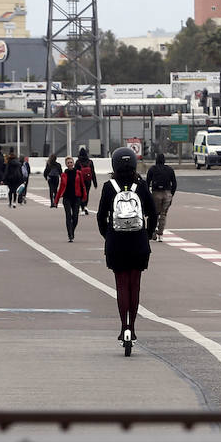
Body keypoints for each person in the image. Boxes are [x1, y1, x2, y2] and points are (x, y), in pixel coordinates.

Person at [97, 147, 158, 347]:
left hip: (116, 243)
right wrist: (147, 235)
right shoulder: (140, 186)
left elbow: (100, 216)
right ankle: (134, 326)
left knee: (121, 286)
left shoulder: (108, 187)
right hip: (138, 242)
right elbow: (153, 213)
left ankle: (124, 327)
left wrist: (108, 235)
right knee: (135, 285)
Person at [51, 156, 89, 242]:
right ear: (66, 164)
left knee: (75, 217)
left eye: (71, 162)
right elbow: (61, 188)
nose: (70, 164)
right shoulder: (64, 175)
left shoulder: (79, 173)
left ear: (73, 163)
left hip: (76, 198)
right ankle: (70, 235)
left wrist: (84, 196)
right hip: (67, 198)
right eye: (68, 163)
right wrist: (56, 201)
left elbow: (83, 186)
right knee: (68, 216)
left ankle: (72, 230)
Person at [144, 152, 178, 241]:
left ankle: (153, 232)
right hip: (167, 193)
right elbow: (174, 183)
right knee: (163, 214)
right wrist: (171, 194)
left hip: (156, 193)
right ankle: (160, 234)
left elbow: (147, 183)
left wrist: (148, 194)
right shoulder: (169, 169)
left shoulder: (152, 169)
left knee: (154, 214)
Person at [75, 147, 97, 215]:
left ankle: (82, 208)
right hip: (88, 180)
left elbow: (75, 172)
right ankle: (85, 206)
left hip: (80, 181)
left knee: (81, 194)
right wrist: (95, 183)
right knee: (86, 193)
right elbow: (93, 172)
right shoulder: (90, 162)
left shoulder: (78, 162)